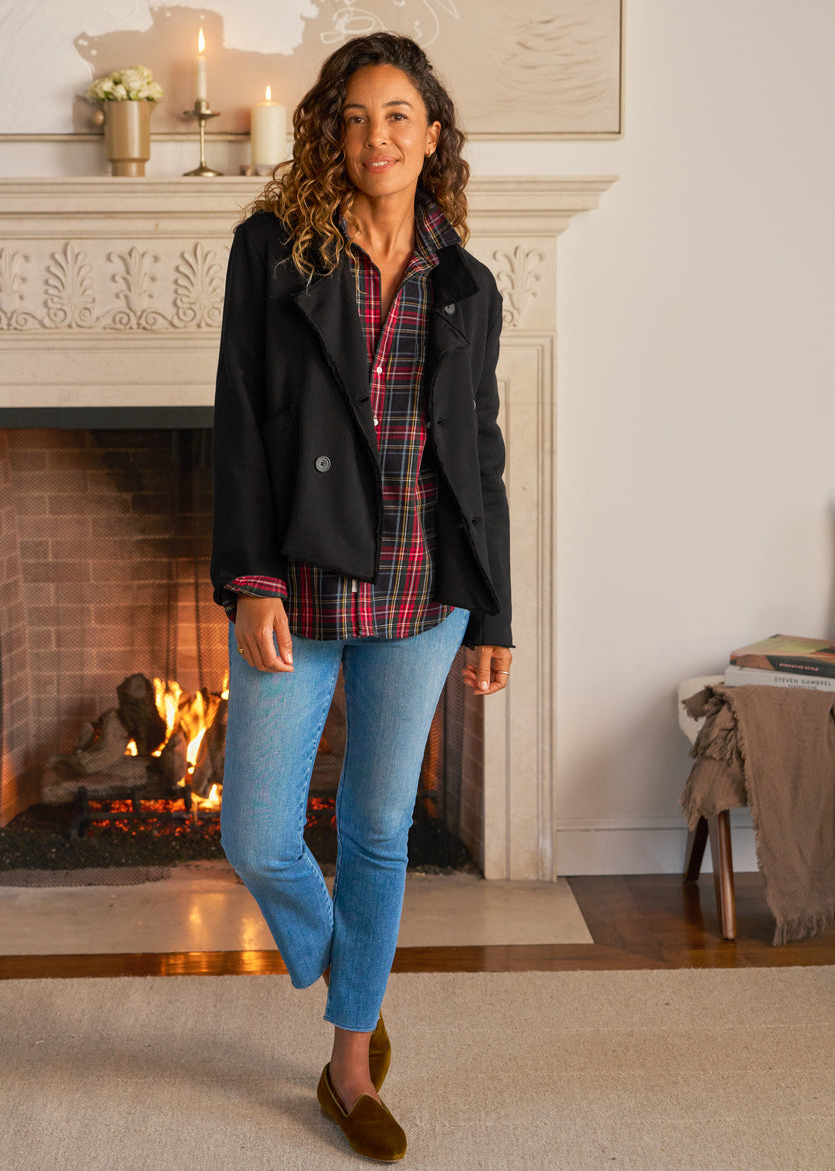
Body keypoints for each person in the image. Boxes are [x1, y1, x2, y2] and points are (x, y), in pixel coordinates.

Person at [211, 31, 512, 1162]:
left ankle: (347, 1068)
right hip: (294, 578)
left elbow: (480, 458)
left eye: (397, 116)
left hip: (426, 591)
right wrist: (248, 580)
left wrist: (497, 612)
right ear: (328, 133)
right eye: (353, 116)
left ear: (433, 135)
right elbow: (240, 421)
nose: (375, 137)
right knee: (256, 833)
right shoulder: (272, 252)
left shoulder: (466, 284)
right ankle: (360, 980)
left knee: (377, 829)